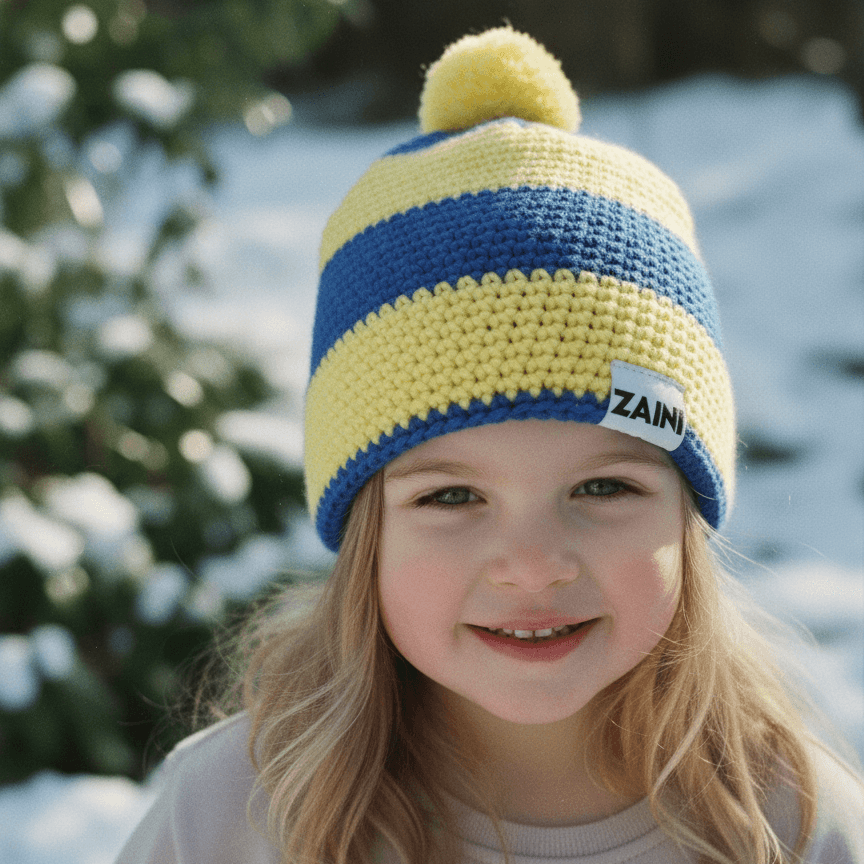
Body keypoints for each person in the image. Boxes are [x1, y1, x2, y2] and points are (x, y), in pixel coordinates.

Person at [115, 26, 864, 864]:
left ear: (687, 509)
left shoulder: (792, 826)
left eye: (604, 489)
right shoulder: (233, 816)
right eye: (452, 496)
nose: (534, 564)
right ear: (369, 530)